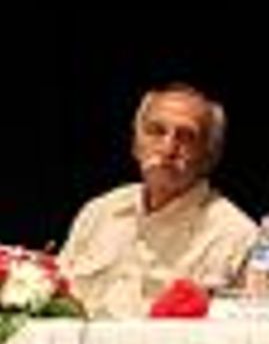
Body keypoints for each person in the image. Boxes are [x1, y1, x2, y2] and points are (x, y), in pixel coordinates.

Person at [58, 83, 257, 318]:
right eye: (156, 131)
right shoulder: (99, 212)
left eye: (186, 136)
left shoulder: (236, 235)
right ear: (136, 145)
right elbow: (56, 298)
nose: (168, 148)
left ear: (209, 157)